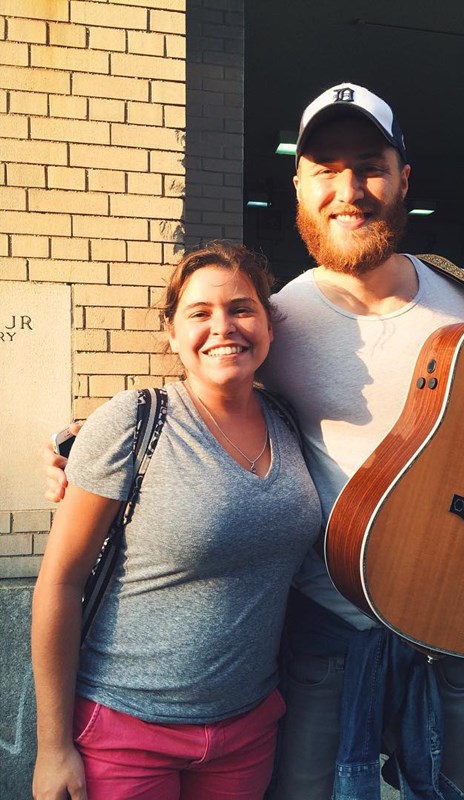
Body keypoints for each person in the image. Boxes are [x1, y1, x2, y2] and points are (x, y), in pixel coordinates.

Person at [44, 85, 464, 800]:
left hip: (457, 605)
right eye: (325, 171)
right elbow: (207, 390)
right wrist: (81, 444)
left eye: (368, 165)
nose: (349, 190)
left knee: (463, 787)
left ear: (404, 179)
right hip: (328, 617)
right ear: (299, 187)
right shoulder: (280, 317)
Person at [32, 242, 322, 800]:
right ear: (171, 332)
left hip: (247, 729)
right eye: (200, 313)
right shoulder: (135, 421)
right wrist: (52, 747)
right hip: (125, 729)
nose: (224, 327)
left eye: (242, 309)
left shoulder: (289, 420)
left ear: (267, 322)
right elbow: (60, 583)